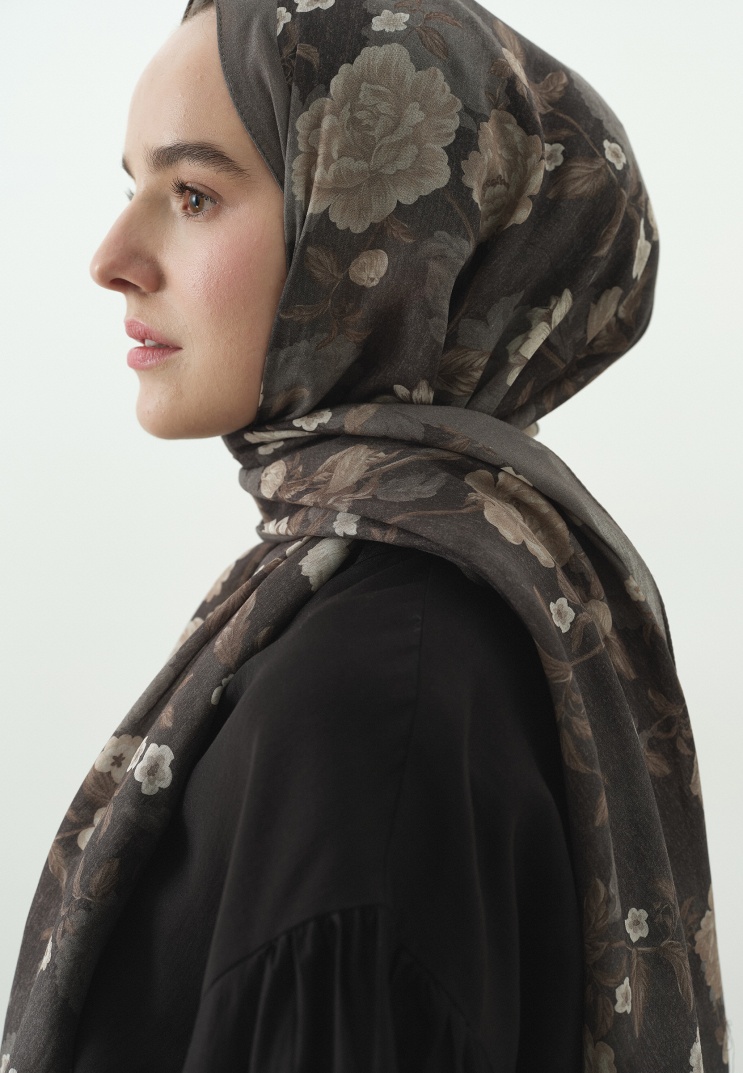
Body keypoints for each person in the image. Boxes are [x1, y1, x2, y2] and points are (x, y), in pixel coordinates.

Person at [1, 0, 729, 1070]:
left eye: (193, 194)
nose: (113, 258)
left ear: (385, 233)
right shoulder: (447, 614)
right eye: (132, 188)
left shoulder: (360, 708)